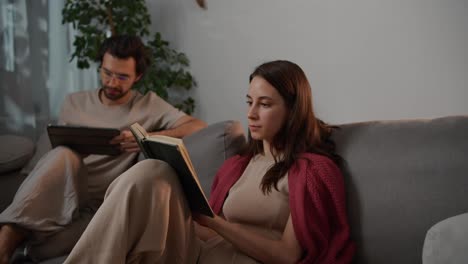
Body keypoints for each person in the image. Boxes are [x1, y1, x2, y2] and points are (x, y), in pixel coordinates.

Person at [64, 60, 355, 263]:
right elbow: (206, 229)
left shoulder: (310, 170)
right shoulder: (241, 165)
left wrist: (216, 224)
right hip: (198, 254)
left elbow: (287, 255)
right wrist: (172, 207)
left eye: (264, 104)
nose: (252, 113)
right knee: (154, 170)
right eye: (249, 101)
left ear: (293, 110)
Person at [0, 35, 207, 263]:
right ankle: (7, 237)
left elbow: (198, 126)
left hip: (101, 209)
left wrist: (147, 136)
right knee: (64, 155)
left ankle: (22, 245)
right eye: (107, 73)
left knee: (39, 250)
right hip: (60, 195)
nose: (112, 83)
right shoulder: (74, 102)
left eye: (122, 77)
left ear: (137, 76)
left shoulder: (148, 104)